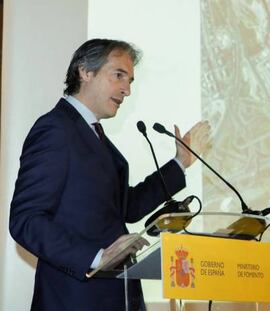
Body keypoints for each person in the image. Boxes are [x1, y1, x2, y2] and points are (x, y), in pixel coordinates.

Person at [9, 38, 210, 311]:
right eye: (118, 75)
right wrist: (96, 257)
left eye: (130, 81)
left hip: (116, 296)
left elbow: (127, 207)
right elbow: (26, 220)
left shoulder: (94, 136)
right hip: (74, 299)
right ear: (85, 72)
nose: (126, 89)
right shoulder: (55, 129)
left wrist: (180, 162)